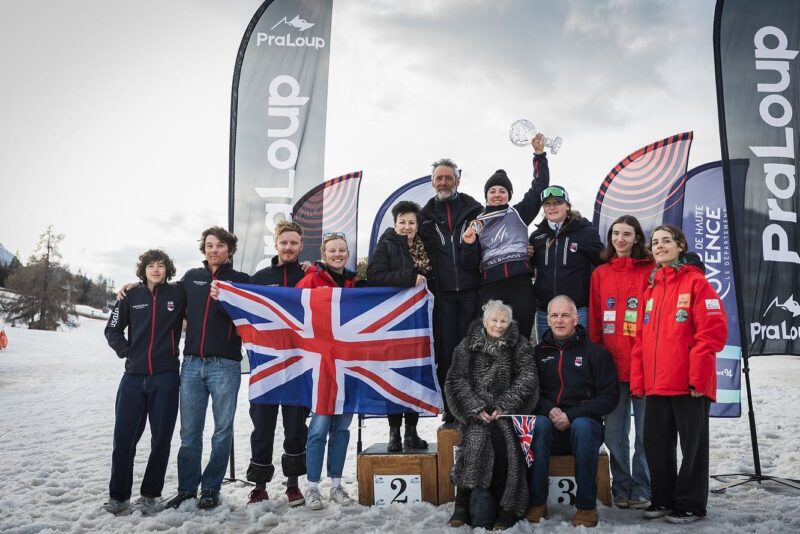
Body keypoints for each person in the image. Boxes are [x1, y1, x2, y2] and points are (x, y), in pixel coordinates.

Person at [630, 224, 727, 524]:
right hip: (658, 385)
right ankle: (663, 498)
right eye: (655, 242)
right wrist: (639, 380)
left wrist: (698, 377)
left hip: (689, 384)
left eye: (666, 241)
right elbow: (640, 341)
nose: (659, 246)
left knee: (693, 448)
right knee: (655, 445)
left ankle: (690, 504)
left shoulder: (697, 283)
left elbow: (713, 332)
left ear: (680, 246)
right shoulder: (651, 289)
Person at [166, 227, 250, 509]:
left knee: (222, 431)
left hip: (225, 365)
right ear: (204, 249)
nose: (214, 250)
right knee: (189, 432)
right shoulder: (192, 278)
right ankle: (187, 489)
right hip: (191, 365)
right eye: (210, 245)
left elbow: (252, 313)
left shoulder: (240, 280)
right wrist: (133, 287)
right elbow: (163, 293)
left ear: (230, 250)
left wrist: (226, 300)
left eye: (220, 245)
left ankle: (211, 488)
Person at [102, 249, 186, 515]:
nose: (156, 270)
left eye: (161, 265)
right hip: (133, 379)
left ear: (167, 269)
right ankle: (118, 497)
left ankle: (150, 495)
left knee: (161, 439)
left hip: (166, 378)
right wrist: (129, 351)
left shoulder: (177, 294)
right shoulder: (131, 296)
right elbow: (112, 329)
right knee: (124, 440)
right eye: (151, 265)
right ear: (144, 269)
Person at [445, 300, 539, 530]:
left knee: (506, 442)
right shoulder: (466, 346)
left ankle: (508, 506)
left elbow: (528, 377)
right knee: (476, 439)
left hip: (506, 413)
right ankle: (463, 503)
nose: (498, 325)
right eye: (494, 320)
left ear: (510, 322)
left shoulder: (520, 345)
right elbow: (456, 380)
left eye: (503, 321)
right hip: (476, 412)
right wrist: (475, 408)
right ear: (485, 321)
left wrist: (505, 405)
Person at [527, 295, 619, 528]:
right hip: (549, 427)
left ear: (576, 319)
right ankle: (537, 502)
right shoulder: (536, 354)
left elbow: (610, 397)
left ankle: (586, 507)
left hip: (584, 429)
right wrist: (550, 410)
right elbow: (528, 393)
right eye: (555, 315)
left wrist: (573, 414)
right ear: (547, 319)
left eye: (565, 315)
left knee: (583, 425)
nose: (560, 320)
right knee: (537, 424)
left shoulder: (595, 353)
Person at [588, 215, 654, 510]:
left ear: (637, 238)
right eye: (616, 233)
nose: (620, 239)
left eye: (627, 234)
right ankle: (621, 485)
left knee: (644, 433)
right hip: (612, 368)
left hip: (644, 367)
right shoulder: (600, 273)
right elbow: (595, 319)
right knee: (614, 434)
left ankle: (642, 486)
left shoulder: (651, 270)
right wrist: (595, 362)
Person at [243, 221, 310, 506]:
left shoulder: (310, 275)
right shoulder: (259, 278)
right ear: (276, 244)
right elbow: (242, 307)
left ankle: (293, 485)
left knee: (296, 429)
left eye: (294, 243)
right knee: (262, 428)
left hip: (299, 364)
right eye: (284, 242)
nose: (289, 247)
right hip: (267, 364)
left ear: (300, 245)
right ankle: (259, 485)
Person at [296, 232, 363, 510]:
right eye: (332, 250)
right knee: (319, 428)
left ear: (348, 253)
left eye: (342, 250)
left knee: (342, 429)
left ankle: (336, 484)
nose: (337, 254)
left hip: (348, 364)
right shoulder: (311, 279)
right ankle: (312, 487)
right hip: (323, 364)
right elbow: (294, 310)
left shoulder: (356, 283)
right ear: (324, 253)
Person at [461, 133, 550, 339]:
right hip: (491, 286)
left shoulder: (519, 212)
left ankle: (523, 372)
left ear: (509, 195)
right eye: (492, 191)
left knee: (521, 340)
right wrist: (468, 244)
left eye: (502, 190)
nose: (497, 194)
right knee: (492, 340)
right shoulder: (476, 222)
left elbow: (539, 187)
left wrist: (539, 154)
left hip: (520, 285)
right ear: (486, 196)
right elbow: (468, 263)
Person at [419, 158, 483, 422]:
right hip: (441, 295)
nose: (443, 182)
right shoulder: (423, 218)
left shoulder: (475, 210)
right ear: (432, 182)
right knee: (446, 352)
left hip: (472, 291)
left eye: (448, 177)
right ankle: (451, 408)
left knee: (473, 349)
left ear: (458, 179)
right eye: (439, 178)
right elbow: (405, 244)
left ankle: (474, 404)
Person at [367, 200, 432, 453]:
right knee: (395, 375)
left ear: (417, 225)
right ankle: (394, 432)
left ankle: (411, 432)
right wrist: (408, 278)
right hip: (394, 322)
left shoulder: (424, 247)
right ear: (395, 224)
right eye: (402, 222)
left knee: (415, 375)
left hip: (419, 321)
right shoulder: (386, 245)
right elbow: (375, 276)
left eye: (411, 223)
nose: (407, 227)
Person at [528, 185, 603, 342]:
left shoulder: (585, 232)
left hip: (577, 310)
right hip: (545, 312)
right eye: (547, 204)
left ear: (567, 206)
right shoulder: (537, 237)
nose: (552, 207)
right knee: (546, 358)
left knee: (578, 358)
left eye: (558, 202)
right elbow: (528, 269)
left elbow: (603, 264)